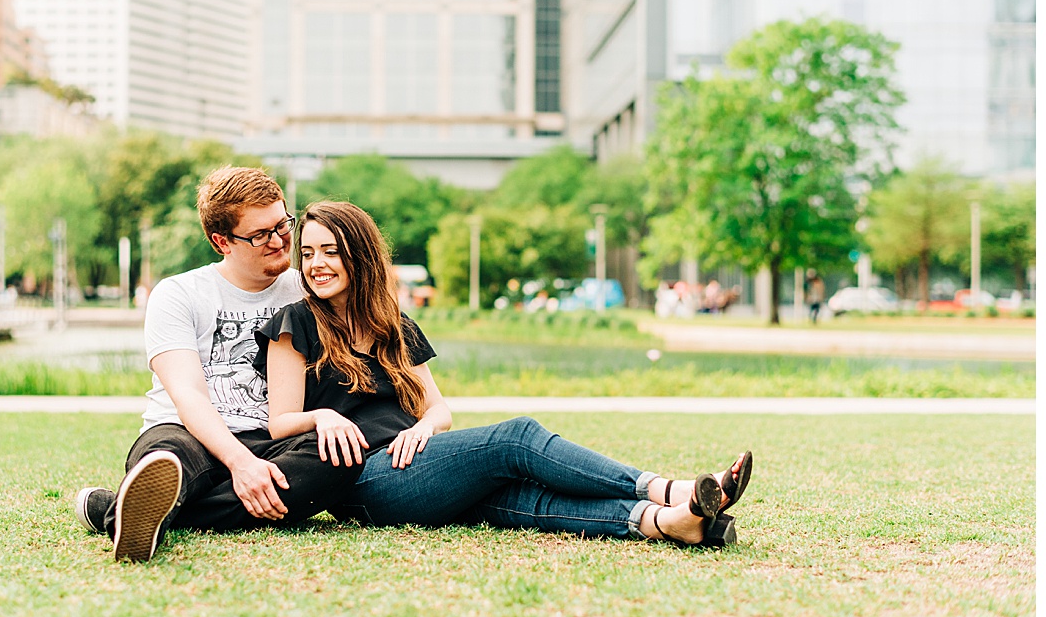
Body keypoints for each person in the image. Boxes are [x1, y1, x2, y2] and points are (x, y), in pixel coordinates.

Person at [256, 202, 752, 548]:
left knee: (520, 499)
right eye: (308, 252)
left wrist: (426, 427)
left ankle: (668, 523)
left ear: (359, 257)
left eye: (330, 251)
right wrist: (323, 417)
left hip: (419, 464)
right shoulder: (295, 323)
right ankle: (668, 489)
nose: (316, 264)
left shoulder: (393, 325)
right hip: (365, 480)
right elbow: (280, 423)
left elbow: (439, 408)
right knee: (516, 439)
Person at [74, 167, 365, 562]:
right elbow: (188, 396)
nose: (280, 242)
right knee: (166, 461)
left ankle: (126, 511)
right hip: (186, 432)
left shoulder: (308, 287)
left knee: (338, 458)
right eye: (260, 235)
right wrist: (240, 463)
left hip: (273, 440)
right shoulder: (178, 294)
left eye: (282, 224)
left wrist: (324, 419)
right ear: (221, 241)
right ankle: (148, 501)